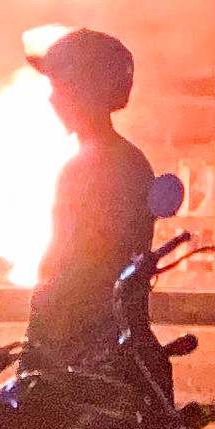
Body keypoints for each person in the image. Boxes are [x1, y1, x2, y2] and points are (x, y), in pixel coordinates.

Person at [20, 28, 156, 372]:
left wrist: (43, 335)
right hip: (97, 336)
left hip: (84, 340)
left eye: (59, 87)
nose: (52, 99)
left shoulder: (99, 166)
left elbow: (76, 261)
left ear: (86, 90)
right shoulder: (123, 161)